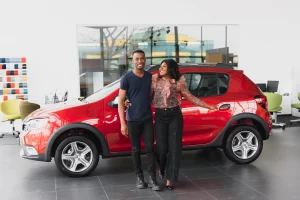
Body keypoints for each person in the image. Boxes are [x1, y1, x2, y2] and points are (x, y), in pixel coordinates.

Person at [151, 59, 218, 190]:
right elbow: (145, 94)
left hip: (175, 115)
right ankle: (162, 169)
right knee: (161, 149)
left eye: (164, 66)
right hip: (160, 116)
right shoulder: (154, 79)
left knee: (175, 148)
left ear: (170, 68)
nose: (161, 68)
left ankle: (170, 179)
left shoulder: (179, 81)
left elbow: (189, 96)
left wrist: (207, 105)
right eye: (161, 66)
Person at [118, 49, 162, 191]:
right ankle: (139, 177)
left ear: (145, 59)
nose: (140, 61)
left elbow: (152, 94)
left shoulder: (149, 76)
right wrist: (123, 123)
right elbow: (120, 101)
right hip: (132, 120)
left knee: (150, 148)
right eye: (137, 59)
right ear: (133, 61)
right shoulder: (126, 78)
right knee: (135, 149)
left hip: (147, 118)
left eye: (142, 58)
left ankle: (152, 179)